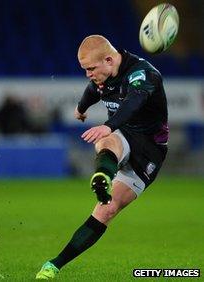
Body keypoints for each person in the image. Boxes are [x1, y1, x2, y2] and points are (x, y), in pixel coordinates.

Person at [36, 35, 168, 279]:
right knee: (107, 141)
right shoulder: (104, 75)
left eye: (91, 68)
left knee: (107, 211)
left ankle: (105, 175)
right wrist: (80, 108)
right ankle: (53, 265)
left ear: (109, 59)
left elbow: (134, 102)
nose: (88, 74)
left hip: (150, 149)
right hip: (123, 135)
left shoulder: (143, 74)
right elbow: (94, 90)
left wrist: (108, 125)